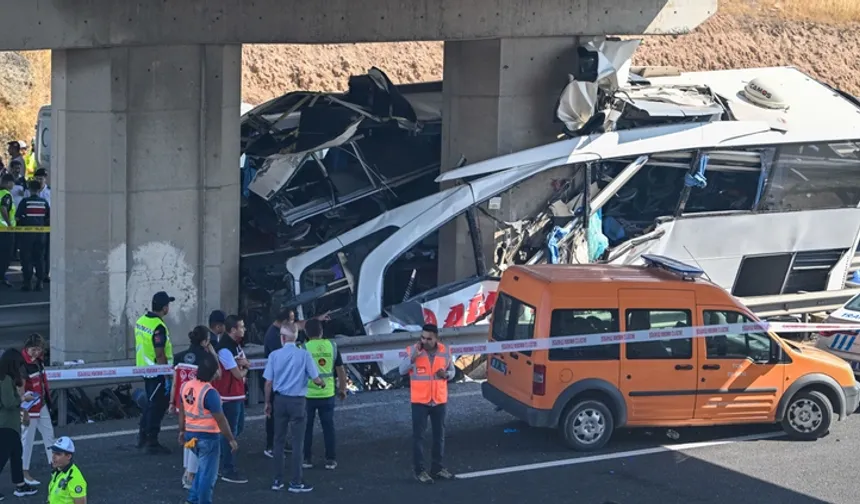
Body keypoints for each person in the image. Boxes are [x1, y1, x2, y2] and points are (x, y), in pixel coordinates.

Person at [264, 326, 324, 493]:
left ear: (282, 338)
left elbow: (268, 382)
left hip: (280, 400)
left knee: (278, 440)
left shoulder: (274, 356)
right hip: (297, 401)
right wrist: (323, 383)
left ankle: (277, 480)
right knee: (298, 442)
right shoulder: (304, 355)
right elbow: (316, 378)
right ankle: (296, 481)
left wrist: (267, 403)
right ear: (296, 337)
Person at [178, 352, 237, 504]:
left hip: (191, 437)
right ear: (214, 372)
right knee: (208, 476)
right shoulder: (210, 393)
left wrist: (182, 431)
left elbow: (182, 411)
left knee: (201, 470)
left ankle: (192, 500)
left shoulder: (186, 386)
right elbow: (221, 419)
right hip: (208, 438)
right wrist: (230, 439)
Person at [400, 324, 456, 483]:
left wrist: (447, 375)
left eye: (428, 338)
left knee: (439, 436)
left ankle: (437, 468)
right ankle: (420, 471)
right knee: (419, 437)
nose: (424, 341)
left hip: (439, 400)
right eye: (422, 337)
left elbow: (452, 371)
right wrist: (413, 358)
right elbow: (401, 370)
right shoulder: (413, 350)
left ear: (436, 338)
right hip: (420, 401)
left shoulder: (445, 351)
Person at [172, 326, 219, 491]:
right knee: (198, 436)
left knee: (187, 434)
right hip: (200, 400)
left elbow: (174, 381)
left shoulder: (179, 357)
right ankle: (191, 474)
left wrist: (172, 402)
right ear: (205, 341)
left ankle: (187, 471)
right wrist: (212, 351)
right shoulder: (206, 357)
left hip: (183, 399)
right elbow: (217, 373)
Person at [302, 318, 347, 470]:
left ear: (306, 333)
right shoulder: (332, 346)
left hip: (308, 394)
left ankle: (306, 458)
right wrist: (342, 388)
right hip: (328, 393)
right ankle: (331, 459)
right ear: (321, 332)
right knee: (328, 427)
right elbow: (340, 369)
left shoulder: (303, 348)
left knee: (306, 427)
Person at [134, 291, 176, 454]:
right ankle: (151, 441)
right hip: (156, 372)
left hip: (144, 368)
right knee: (157, 407)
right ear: (164, 308)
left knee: (151, 405)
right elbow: (160, 353)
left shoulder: (141, 321)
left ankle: (143, 437)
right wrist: (166, 375)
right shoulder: (158, 327)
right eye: (168, 305)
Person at [214, 315, 249, 483]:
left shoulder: (235, 346)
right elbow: (237, 374)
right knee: (231, 432)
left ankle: (223, 457)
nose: (244, 329)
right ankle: (227, 468)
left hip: (237, 394)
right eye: (241, 326)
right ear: (233, 330)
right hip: (229, 396)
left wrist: (244, 367)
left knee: (237, 427)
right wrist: (246, 367)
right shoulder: (225, 350)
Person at [0, 348, 38, 498]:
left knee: (16, 454)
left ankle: (20, 485)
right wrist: (23, 399)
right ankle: (20, 485)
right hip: (6, 424)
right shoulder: (5, 380)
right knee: (2, 457)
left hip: (9, 424)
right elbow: (9, 403)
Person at [20, 334, 54, 486]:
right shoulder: (22, 365)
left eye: (38, 349)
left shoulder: (38, 361)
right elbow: (20, 389)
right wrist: (24, 411)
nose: (36, 352)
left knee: (49, 435)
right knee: (27, 440)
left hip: (41, 404)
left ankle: (55, 466)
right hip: (29, 408)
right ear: (27, 348)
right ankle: (23, 472)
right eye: (33, 349)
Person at [263, 309, 290, 459]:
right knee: (273, 414)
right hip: (275, 379)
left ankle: (279, 442)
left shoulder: (275, 332)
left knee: (280, 414)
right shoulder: (274, 336)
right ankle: (271, 445)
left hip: (277, 378)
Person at [16, 179, 49, 292]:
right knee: (40, 258)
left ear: (29, 189)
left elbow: (18, 217)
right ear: (39, 189)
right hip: (41, 235)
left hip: (27, 235)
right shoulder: (44, 202)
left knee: (26, 258)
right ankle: (39, 282)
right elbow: (48, 218)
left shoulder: (25, 202)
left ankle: (28, 282)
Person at [25, 168, 50, 283]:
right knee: (31, 253)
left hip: (45, 226)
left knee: (45, 253)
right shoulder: (28, 191)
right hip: (31, 227)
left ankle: (44, 274)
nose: (40, 181)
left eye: (41, 179)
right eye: (38, 178)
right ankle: (31, 274)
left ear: (45, 179)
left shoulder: (50, 192)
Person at [46, 437, 87, 504]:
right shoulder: (58, 470)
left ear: (68, 456)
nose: (53, 457)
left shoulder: (75, 479)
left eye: (58, 454)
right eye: (53, 453)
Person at [0, 174, 16, 288]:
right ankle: (2, 277)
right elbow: (4, 208)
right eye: (12, 183)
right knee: (5, 255)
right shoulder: (6, 194)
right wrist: (9, 224)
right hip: (5, 230)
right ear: (8, 183)